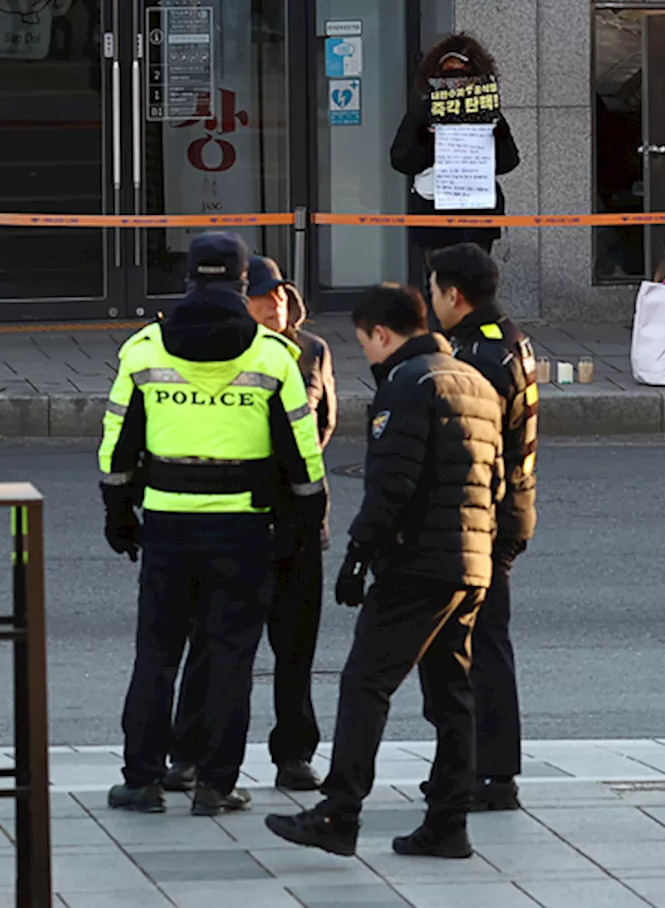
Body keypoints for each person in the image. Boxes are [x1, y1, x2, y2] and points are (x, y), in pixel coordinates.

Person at [264, 284, 504, 859]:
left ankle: (339, 810)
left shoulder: (408, 383)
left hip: (417, 561)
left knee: (365, 682)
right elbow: (494, 481)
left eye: (364, 343)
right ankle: (449, 823)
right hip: (472, 560)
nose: (366, 356)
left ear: (381, 333)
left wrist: (357, 555)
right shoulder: (475, 381)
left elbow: (391, 484)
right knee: (452, 695)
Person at [101, 233, 328, 817]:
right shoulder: (274, 357)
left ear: (189, 279)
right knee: (232, 656)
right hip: (245, 530)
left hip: (168, 525)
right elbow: (303, 460)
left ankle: (143, 781)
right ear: (240, 279)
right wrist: (303, 527)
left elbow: (116, 447)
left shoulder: (144, 349)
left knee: (156, 655)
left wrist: (120, 514)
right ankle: (216, 786)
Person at [165, 255, 337, 793]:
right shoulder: (221, 345)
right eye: (264, 296)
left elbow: (320, 419)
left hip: (297, 519)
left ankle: (294, 753)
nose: (277, 305)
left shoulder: (311, 351)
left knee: (294, 646)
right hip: (234, 516)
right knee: (211, 643)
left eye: (282, 295)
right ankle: (190, 753)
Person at [428, 243, 538, 811]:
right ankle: (470, 764)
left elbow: (467, 448)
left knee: (478, 644)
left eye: (433, 289)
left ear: (454, 294)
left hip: (481, 516)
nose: (429, 301)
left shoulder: (473, 358)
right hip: (509, 506)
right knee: (477, 640)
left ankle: (490, 771)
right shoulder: (509, 339)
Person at [390, 33, 521, 257]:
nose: (455, 83)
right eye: (448, 75)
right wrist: (427, 138)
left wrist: (499, 132)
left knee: (475, 284)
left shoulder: (486, 112)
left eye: (462, 75)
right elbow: (401, 160)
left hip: (477, 218)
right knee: (439, 284)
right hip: (434, 216)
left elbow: (508, 161)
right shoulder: (424, 112)